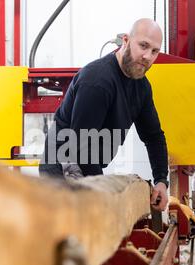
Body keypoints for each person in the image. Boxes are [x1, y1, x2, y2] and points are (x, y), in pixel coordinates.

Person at [39, 18, 169, 211]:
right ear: (125, 40)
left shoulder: (141, 87)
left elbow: (154, 137)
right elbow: (82, 146)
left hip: (86, 159)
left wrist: (161, 181)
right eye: (143, 46)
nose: (148, 56)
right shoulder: (97, 81)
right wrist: (105, 195)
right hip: (64, 161)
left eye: (154, 51)